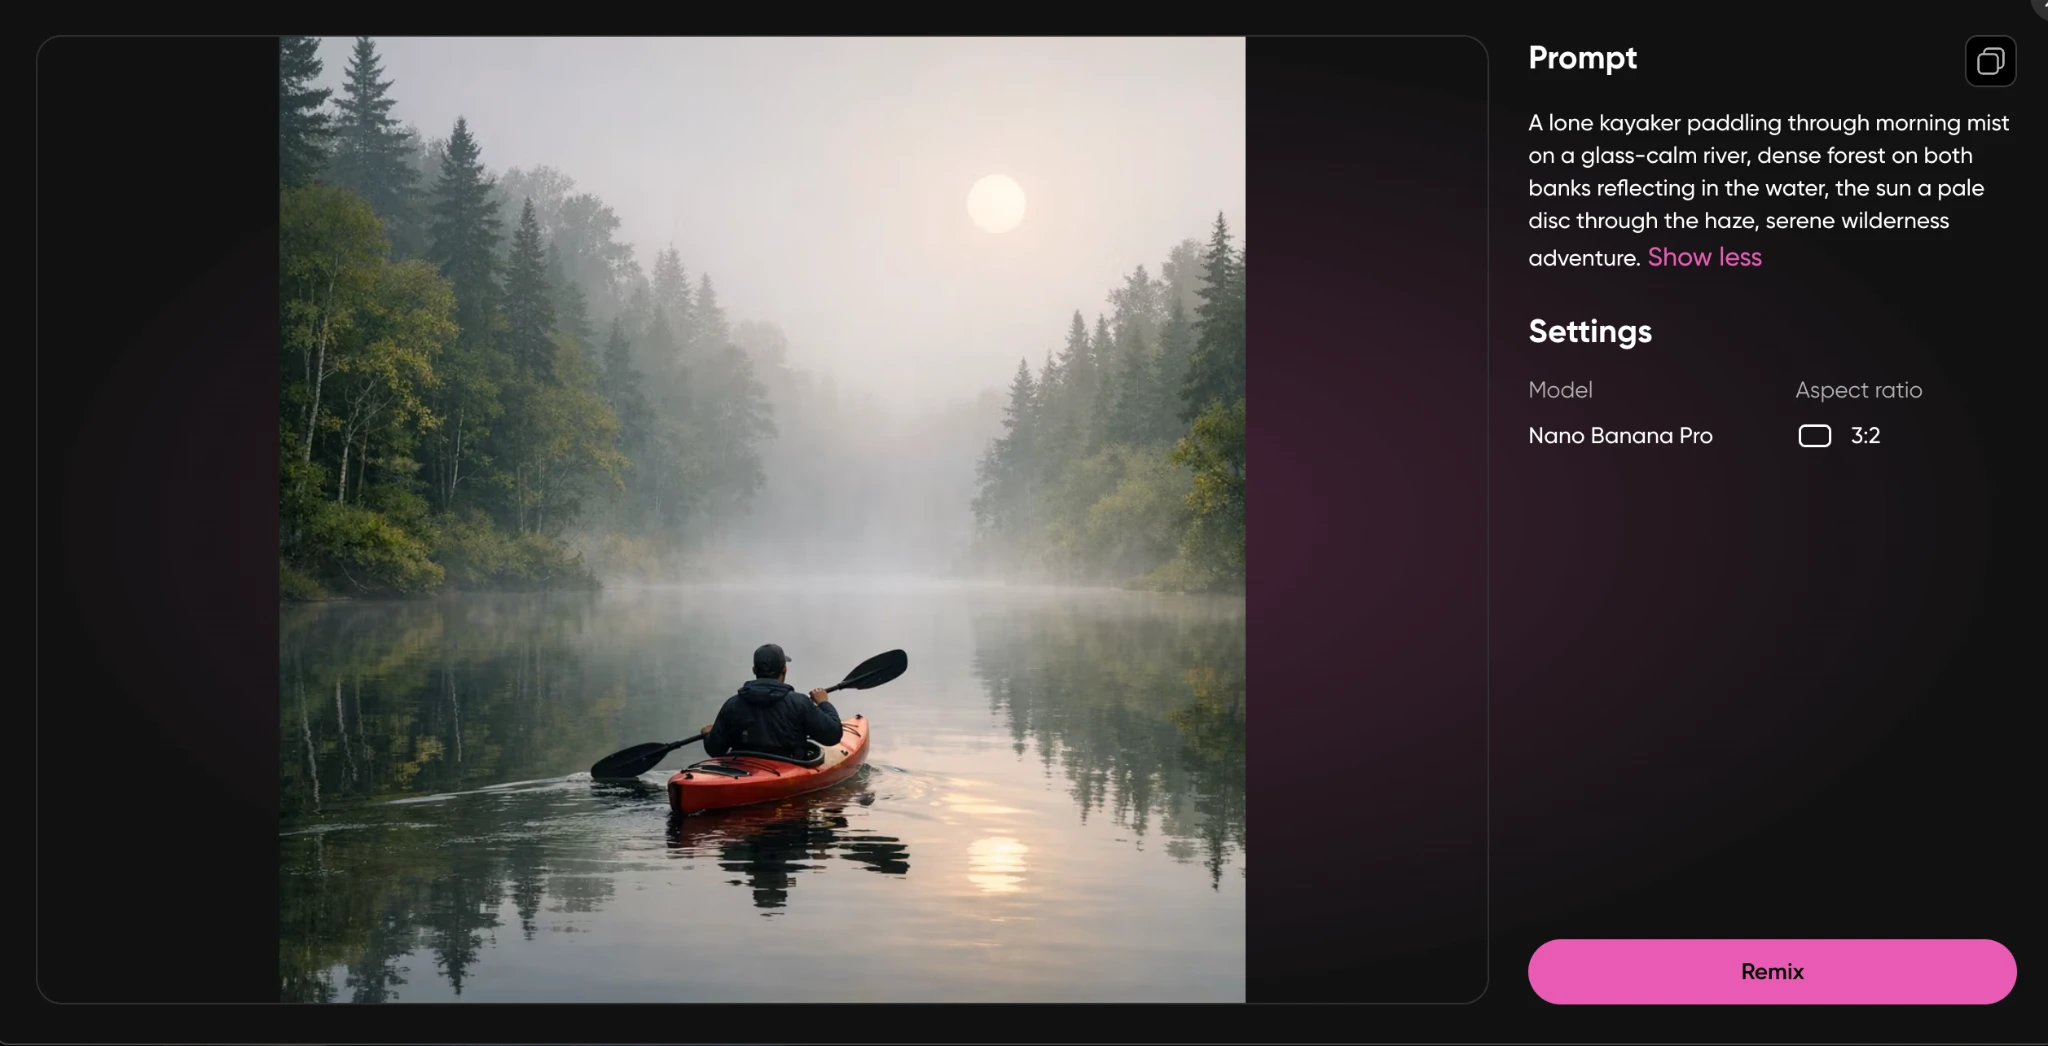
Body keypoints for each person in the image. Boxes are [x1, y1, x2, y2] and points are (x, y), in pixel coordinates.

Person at [700, 643, 844, 759]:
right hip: (789, 767)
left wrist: (708, 735)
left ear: (754, 670)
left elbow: (715, 750)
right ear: (784, 669)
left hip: (744, 770)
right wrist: (823, 703)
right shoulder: (800, 703)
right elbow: (833, 736)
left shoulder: (732, 704)